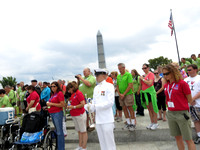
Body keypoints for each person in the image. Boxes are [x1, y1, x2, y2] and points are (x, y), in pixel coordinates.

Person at [163, 64, 196, 150]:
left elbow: (189, 99)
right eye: (164, 74)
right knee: (177, 138)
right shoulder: (167, 85)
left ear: (173, 72)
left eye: (167, 73)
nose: (165, 76)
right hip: (171, 113)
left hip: (182, 114)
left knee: (188, 139)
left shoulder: (182, 83)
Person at [84, 69, 116, 150]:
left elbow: (110, 102)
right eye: (96, 75)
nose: (96, 77)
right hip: (98, 119)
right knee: (102, 143)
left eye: (98, 75)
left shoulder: (109, 86)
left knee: (109, 143)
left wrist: (95, 106)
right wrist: (89, 107)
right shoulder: (96, 88)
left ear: (104, 75)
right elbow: (94, 102)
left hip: (107, 119)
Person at [67, 81, 87, 150]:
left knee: (83, 131)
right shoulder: (73, 94)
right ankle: (80, 145)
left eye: (69, 89)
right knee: (79, 131)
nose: (69, 91)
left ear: (73, 88)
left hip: (80, 114)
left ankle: (84, 147)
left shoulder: (78, 93)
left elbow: (83, 103)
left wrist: (74, 107)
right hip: (74, 114)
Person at [117, 63, 136, 131]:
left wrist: (124, 94)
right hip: (121, 95)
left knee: (130, 108)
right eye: (118, 69)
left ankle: (133, 124)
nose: (119, 70)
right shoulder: (118, 76)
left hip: (128, 94)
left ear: (124, 68)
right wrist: (119, 93)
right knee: (124, 109)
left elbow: (130, 85)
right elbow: (117, 86)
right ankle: (128, 123)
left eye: (120, 69)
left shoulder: (128, 75)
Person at [139, 63, 158, 130]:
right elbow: (141, 85)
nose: (144, 69)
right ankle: (152, 122)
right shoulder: (143, 75)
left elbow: (150, 83)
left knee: (153, 108)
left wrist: (143, 79)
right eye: (143, 68)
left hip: (150, 93)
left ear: (148, 68)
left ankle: (155, 122)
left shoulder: (151, 74)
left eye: (145, 68)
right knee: (149, 109)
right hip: (145, 93)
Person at [46, 81, 65, 150]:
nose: (52, 88)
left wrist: (51, 104)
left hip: (57, 113)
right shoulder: (53, 94)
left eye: (54, 86)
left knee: (59, 131)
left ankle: (61, 148)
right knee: (57, 130)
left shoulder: (59, 93)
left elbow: (62, 104)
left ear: (57, 87)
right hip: (52, 113)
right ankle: (59, 147)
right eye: (51, 86)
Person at [184, 64, 200, 144]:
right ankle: (199, 136)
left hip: (198, 104)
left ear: (195, 69)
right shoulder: (186, 80)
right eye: (187, 70)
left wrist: (192, 99)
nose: (188, 71)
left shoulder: (199, 78)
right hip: (191, 105)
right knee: (196, 121)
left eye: (190, 70)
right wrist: (190, 101)